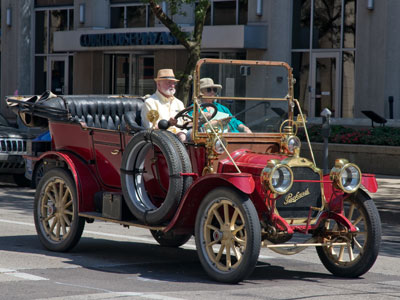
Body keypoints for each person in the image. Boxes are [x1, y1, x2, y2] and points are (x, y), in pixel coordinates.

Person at [141, 69, 187, 142]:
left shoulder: (179, 103)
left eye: (174, 83)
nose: (172, 85)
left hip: (182, 136)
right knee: (182, 137)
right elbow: (151, 129)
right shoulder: (150, 102)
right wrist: (168, 123)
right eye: (168, 82)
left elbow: (186, 122)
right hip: (163, 141)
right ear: (158, 84)